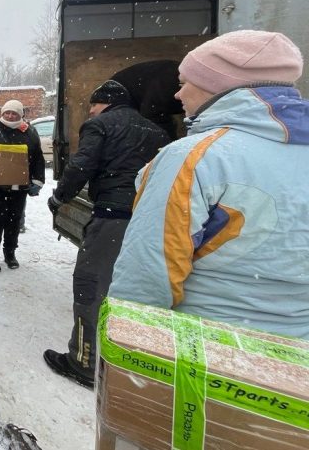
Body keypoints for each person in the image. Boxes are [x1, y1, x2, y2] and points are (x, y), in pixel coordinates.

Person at [110, 30, 309, 339]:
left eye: (184, 83)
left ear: (215, 86)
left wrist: (130, 355)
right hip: (295, 363)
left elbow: (149, 274)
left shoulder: (194, 157)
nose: (178, 95)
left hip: (208, 353)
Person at [44, 79, 169, 388]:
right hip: (149, 219)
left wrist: (59, 197)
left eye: (93, 105)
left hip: (113, 216)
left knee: (91, 284)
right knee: (132, 290)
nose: (90, 111)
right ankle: (133, 359)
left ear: (107, 103)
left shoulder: (100, 125)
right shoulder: (158, 132)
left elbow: (81, 165)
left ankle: (84, 363)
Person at [0, 100, 45, 271]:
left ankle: (10, 254)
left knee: (14, 221)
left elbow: (38, 158)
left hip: (19, 188)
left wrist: (37, 180)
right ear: (2, 113)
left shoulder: (30, 132)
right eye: (7, 113)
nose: (10, 116)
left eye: (14, 113)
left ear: (21, 115)